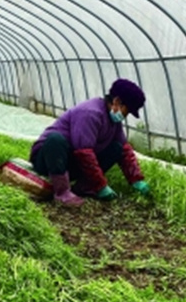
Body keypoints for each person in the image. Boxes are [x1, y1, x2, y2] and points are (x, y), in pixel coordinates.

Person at [30, 78, 150, 207]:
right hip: (48, 160)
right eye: (127, 111)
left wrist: (136, 179)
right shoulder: (90, 113)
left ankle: (85, 187)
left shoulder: (113, 121)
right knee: (55, 140)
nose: (126, 116)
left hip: (71, 163)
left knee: (117, 148)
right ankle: (62, 192)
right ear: (117, 102)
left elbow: (125, 149)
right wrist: (101, 185)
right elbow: (83, 153)